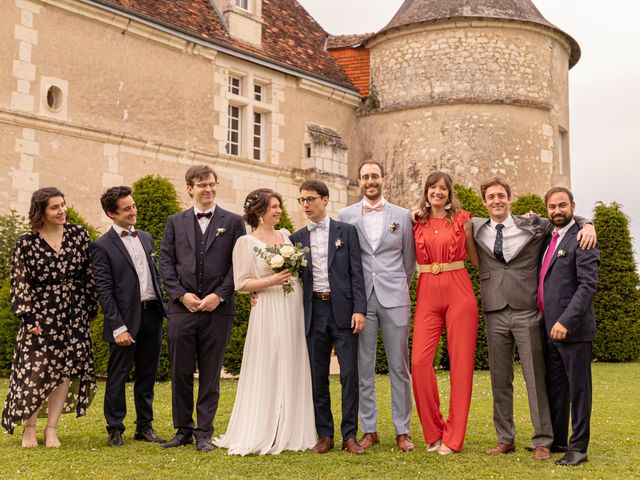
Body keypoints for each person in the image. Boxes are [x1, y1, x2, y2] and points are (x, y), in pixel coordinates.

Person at [472, 177, 596, 461]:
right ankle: (505, 438)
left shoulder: (533, 225)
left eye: (501, 195)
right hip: (494, 310)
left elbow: (563, 218)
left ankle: (544, 439)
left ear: (509, 198)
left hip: (527, 310)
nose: (496, 201)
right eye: (491, 197)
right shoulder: (476, 226)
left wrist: (588, 222)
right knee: (500, 379)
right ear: (484, 202)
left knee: (535, 377)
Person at [213, 189, 316, 455]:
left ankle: (290, 428)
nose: (278, 210)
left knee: (292, 360)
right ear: (259, 211)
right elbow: (241, 283)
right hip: (268, 307)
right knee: (270, 361)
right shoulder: (245, 243)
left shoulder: (286, 236)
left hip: (292, 305)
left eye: (279, 206)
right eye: (273, 207)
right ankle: (264, 427)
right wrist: (271, 281)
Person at [1, 187, 97, 448]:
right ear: (41, 211)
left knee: (63, 371)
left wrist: (90, 310)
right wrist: (29, 319)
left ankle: (51, 429)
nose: (62, 210)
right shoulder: (26, 242)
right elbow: (21, 283)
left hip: (72, 313)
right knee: (37, 370)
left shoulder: (78, 235)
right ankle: (29, 429)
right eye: (55, 207)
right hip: (41, 315)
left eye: (63, 205)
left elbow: (88, 276)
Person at [159, 165, 246, 452]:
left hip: (217, 310)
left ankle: (204, 432)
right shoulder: (174, 222)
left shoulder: (233, 223)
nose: (208, 189)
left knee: (210, 373)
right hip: (182, 310)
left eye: (211, 184)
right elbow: (166, 263)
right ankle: (182, 429)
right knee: (181, 371)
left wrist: (219, 296)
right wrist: (181, 295)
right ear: (190, 189)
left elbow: (239, 265)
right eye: (201, 185)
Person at [337, 160, 416, 452]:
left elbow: (409, 260)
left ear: (384, 179)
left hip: (395, 297)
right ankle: (369, 429)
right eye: (365, 177)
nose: (371, 181)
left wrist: (398, 286)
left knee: (399, 366)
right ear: (359, 182)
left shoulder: (403, 216)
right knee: (363, 366)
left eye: (375, 176)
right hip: (361, 301)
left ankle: (402, 430)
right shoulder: (345, 215)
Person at [290, 180, 367, 455]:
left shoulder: (346, 232)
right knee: (317, 376)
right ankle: (325, 435)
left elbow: (357, 273)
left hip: (344, 311)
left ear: (325, 200)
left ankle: (349, 435)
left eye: (311, 199)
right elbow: (291, 279)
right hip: (314, 311)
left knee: (349, 374)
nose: (306, 205)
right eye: (302, 200)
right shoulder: (296, 239)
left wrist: (360, 309)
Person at [90, 186, 166, 447]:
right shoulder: (101, 247)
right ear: (111, 213)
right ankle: (115, 428)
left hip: (152, 315)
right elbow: (104, 291)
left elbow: (152, 276)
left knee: (147, 375)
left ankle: (144, 427)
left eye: (133, 206)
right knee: (118, 376)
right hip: (123, 321)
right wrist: (117, 327)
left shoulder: (146, 238)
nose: (133, 211)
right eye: (126, 209)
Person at [412, 171, 479, 455]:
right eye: (433, 188)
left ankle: (453, 438)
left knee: (461, 366)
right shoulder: (415, 221)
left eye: (443, 188)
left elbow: (478, 258)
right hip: (427, 290)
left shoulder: (465, 220)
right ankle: (434, 431)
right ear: (426, 192)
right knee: (418, 362)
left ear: (449, 194)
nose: (438, 192)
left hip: (459, 291)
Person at [539, 187, 599, 466]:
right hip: (548, 328)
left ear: (573, 206)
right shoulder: (548, 237)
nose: (557, 211)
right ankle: (559, 440)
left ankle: (578, 448)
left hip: (572, 329)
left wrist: (566, 321)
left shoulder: (583, 238)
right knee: (558, 388)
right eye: (552, 206)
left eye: (562, 205)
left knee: (578, 390)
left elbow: (588, 286)